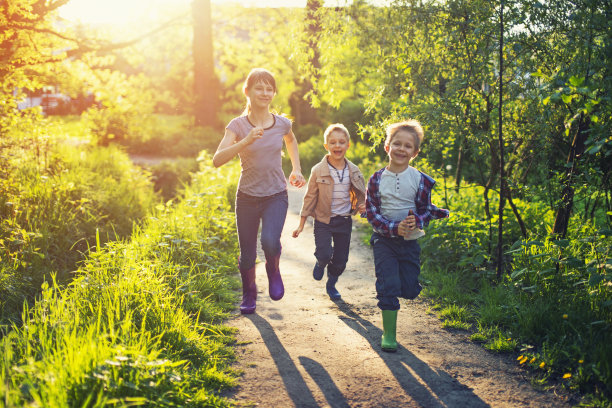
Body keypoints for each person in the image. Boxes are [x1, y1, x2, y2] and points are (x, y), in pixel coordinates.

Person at [213, 68, 306, 315]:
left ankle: (273, 270)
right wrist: (245, 141)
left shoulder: (282, 123)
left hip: (276, 194)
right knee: (246, 255)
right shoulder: (237, 125)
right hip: (246, 198)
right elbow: (217, 159)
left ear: (273, 93)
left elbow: (291, 140)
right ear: (247, 91)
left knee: (269, 242)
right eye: (259, 88)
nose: (265, 93)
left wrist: (296, 169)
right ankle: (249, 292)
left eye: (269, 88)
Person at [365, 119, 449, 352]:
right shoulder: (376, 179)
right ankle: (389, 335)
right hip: (384, 240)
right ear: (387, 146)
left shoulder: (420, 180)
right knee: (388, 285)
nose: (401, 149)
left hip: (410, 241)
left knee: (410, 288)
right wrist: (393, 228)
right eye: (397, 144)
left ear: (415, 153)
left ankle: (405, 286)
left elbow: (426, 209)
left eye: (407, 146)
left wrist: (416, 221)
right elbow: (371, 213)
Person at [292, 124, 366, 300]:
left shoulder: (354, 170)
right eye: (333, 142)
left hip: (344, 221)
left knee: (341, 261)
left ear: (348, 144)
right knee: (325, 253)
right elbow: (309, 197)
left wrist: (363, 207)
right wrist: (301, 224)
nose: (337, 146)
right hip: (323, 221)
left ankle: (331, 283)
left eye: (341, 142)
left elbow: (362, 194)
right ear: (326, 146)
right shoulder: (318, 170)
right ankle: (320, 262)